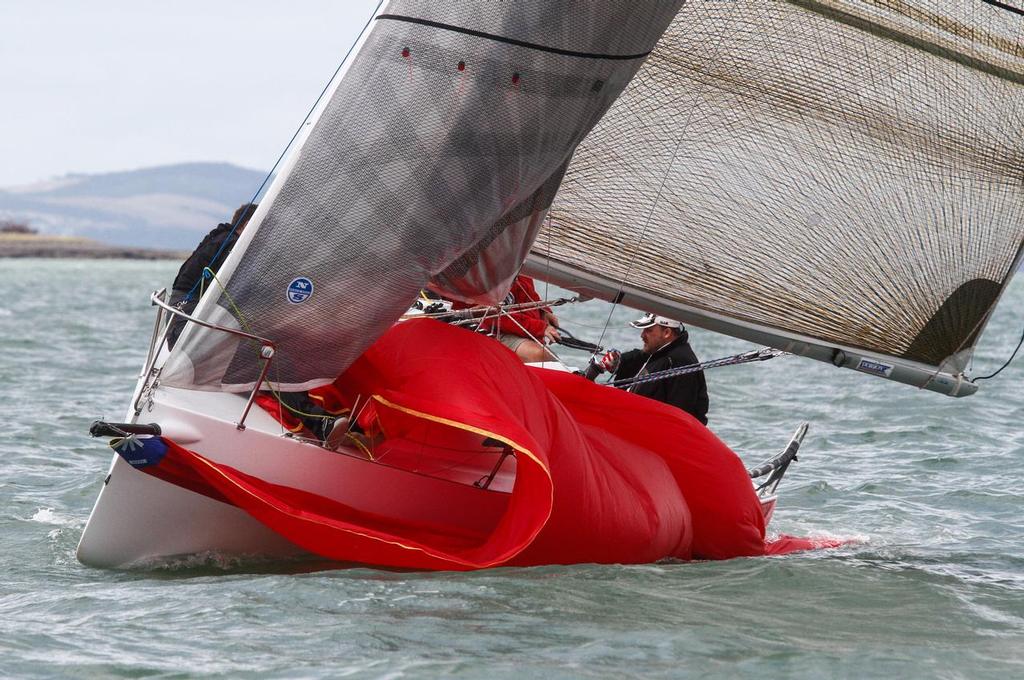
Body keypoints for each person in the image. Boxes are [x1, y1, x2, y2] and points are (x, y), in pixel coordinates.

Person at [588, 313, 709, 424]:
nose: (642, 335)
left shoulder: (679, 362)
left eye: (648, 330)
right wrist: (619, 362)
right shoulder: (660, 352)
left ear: (666, 333)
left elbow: (680, 417)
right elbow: (640, 356)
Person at [166, 203, 258, 348]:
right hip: (189, 310)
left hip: (179, 307)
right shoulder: (231, 244)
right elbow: (235, 284)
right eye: (261, 227)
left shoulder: (220, 237)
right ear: (248, 225)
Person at [479, 274, 560, 363]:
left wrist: (543, 311)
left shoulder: (520, 266)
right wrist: (540, 328)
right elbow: (492, 314)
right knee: (541, 356)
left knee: (548, 358)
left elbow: (529, 294)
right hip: (491, 329)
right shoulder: (484, 269)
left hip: (520, 329)